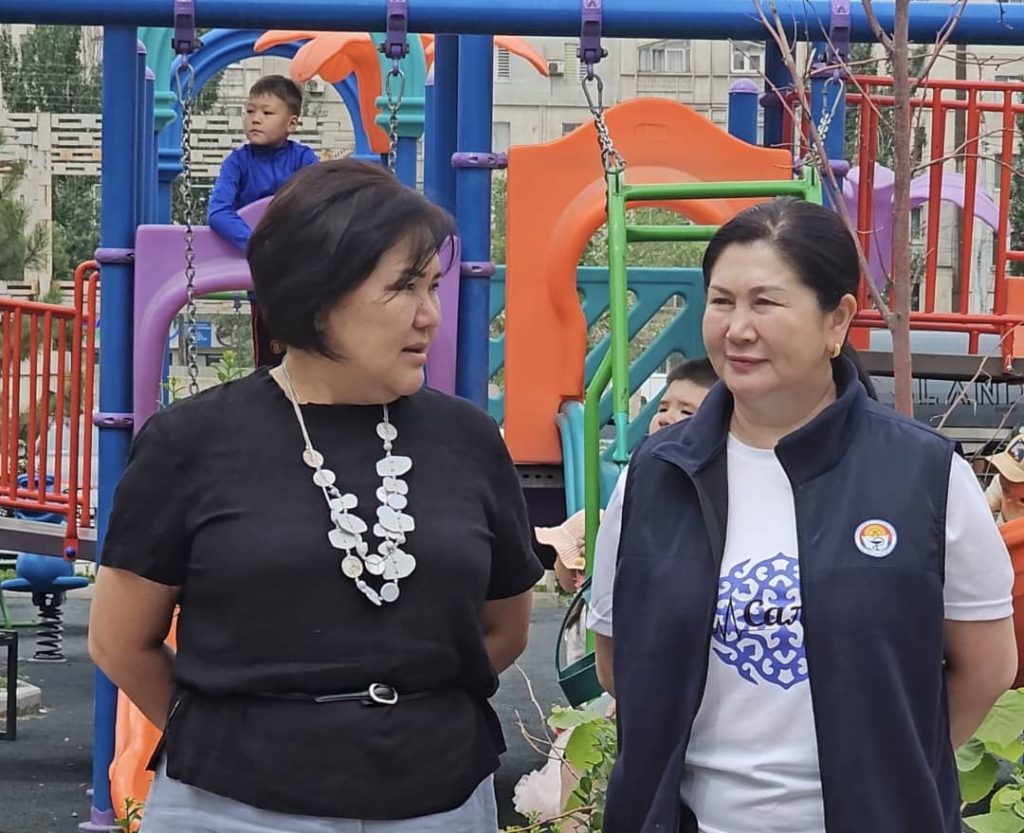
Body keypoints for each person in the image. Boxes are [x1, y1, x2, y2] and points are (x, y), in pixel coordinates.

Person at [89, 159, 544, 833]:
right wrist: (239, 736)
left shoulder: (469, 439)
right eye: (403, 288)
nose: (429, 315)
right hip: (232, 807)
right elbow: (120, 641)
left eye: (433, 287)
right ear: (318, 292)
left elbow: (505, 628)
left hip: (441, 798)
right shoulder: (192, 441)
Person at [591, 198, 1018, 833]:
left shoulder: (924, 475)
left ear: (835, 319)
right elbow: (618, 661)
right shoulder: (656, 475)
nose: (738, 329)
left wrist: (888, 774)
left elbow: (986, 668)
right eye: (721, 301)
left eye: (765, 302)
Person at [517, 359, 718, 831]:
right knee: (583, 755)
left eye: (687, 412)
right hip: (643, 678)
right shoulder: (641, 477)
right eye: (663, 407)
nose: (667, 419)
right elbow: (604, 591)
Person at [207, 74, 319, 367]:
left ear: (291, 123)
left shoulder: (304, 160)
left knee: (309, 354)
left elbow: (315, 206)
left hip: (301, 276)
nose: (255, 119)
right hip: (263, 283)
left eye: (267, 113)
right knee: (268, 360)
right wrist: (258, 246)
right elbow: (218, 212)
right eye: (249, 111)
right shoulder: (238, 162)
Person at [985, 430, 1024, 524]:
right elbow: (980, 509)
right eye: (1002, 470)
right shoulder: (999, 483)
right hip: (1001, 532)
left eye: (1012, 476)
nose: (1003, 480)